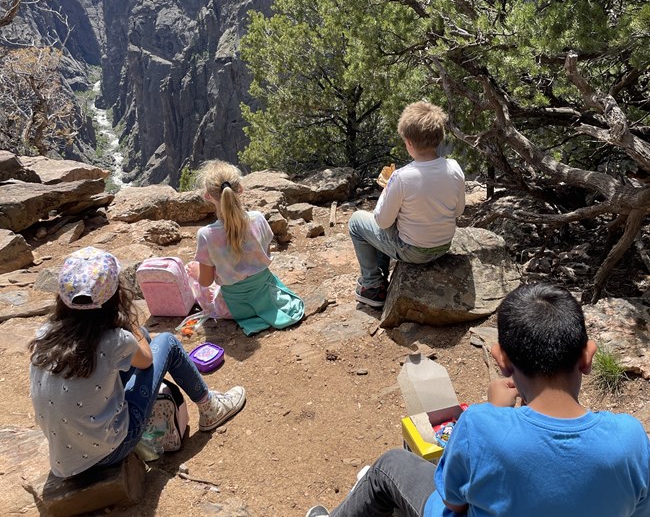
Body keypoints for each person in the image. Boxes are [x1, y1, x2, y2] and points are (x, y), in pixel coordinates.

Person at [305, 282, 650, 517]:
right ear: (587, 357)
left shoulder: (482, 425)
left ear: (501, 361)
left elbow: (454, 501)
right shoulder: (630, 439)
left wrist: (494, 413)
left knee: (388, 467)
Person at [29, 246, 246, 478]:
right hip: (109, 452)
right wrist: (125, 320)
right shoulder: (115, 340)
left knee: (142, 335)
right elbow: (146, 361)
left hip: (65, 459)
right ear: (114, 295)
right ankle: (210, 407)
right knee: (168, 342)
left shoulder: (45, 333)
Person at [349, 101, 465, 309]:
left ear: (409, 142)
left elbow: (382, 221)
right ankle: (380, 278)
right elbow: (459, 211)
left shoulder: (401, 177)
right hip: (443, 244)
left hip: (414, 251)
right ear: (440, 138)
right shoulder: (454, 167)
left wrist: (387, 190)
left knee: (357, 222)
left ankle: (372, 286)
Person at [187, 159, 304, 335]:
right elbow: (266, 254)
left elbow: (206, 281)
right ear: (240, 189)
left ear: (207, 196)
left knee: (193, 277)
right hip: (269, 298)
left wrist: (197, 273)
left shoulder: (206, 234)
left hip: (232, 308)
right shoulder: (258, 218)